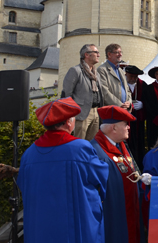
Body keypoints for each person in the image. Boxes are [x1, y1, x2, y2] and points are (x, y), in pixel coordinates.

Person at [18, 97, 108, 242]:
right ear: (68, 122)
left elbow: (23, 186)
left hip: (40, 228)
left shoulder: (29, 154)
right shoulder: (80, 148)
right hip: (74, 226)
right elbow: (100, 178)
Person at [91, 105, 143, 243]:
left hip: (129, 215)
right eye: (125, 124)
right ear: (113, 128)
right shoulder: (95, 152)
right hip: (114, 221)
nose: (128, 127)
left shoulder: (121, 146)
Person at [62, 44, 104, 140]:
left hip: (95, 112)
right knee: (79, 142)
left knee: (92, 144)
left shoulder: (96, 74)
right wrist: (71, 115)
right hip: (81, 113)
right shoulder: (75, 71)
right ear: (87, 55)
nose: (99, 55)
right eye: (96, 52)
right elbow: (67, 94)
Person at [97, 43, 132, 110]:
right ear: (109, 54)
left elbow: (127, 90)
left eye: (121, 52)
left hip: (124, 111)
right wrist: (120, 105)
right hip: (111, 111)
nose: (120, 54)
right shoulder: (102, 70)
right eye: (117, 52)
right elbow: (104, 92)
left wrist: (129, 102)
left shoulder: (121, 71)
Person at [124, 65, 147, 167]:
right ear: (126, 74)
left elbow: (149, 99)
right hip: (125, 118)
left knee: (139, 142)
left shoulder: (143, 85)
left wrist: (143, 104)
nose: (133, 79)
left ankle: (139, 164)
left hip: (139, 119)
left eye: (135, 77)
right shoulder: (121, 84)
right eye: (131, 76)